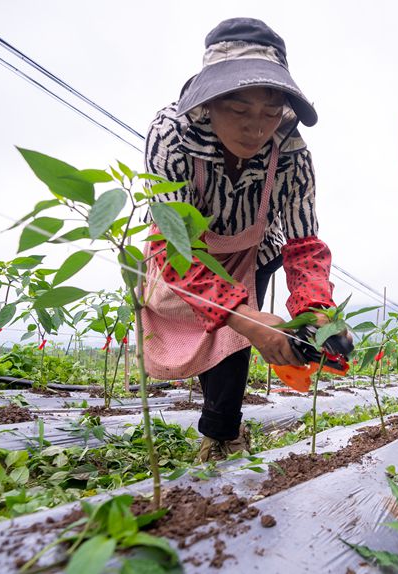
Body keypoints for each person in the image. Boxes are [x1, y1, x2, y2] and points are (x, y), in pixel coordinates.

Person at [140, 18, 336, 462]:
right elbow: (175, 245)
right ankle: (222, 430)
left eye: (270, 112)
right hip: (185, 249)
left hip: (252, 249)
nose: (256, 128)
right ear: (210, 102)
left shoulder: (290, 153)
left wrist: (317, 311)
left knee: (236, 342)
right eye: (239, 110)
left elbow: (304, 243)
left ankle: (221, 437)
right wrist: (245, 317)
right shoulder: (172, 136)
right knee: (236, 323)